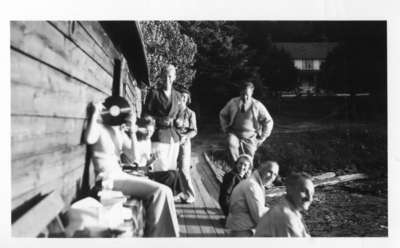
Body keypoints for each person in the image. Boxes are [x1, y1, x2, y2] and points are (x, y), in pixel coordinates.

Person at [85, 99, 180, 237]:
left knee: (165, 191)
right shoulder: (98, 126)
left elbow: (134, 155)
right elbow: (89, 139)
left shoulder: (117, 131)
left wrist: (133, 132)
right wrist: (94, 113)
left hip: (119, 175)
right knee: (161, 191)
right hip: (107, 180)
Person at [143, 64, 182, 193]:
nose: (167, 80)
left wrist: (180, 120)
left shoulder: (177, 95)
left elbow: (180, 113)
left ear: (174, 77)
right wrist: (153, 122)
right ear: (160, 77)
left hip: (173, 137)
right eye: (165, 77)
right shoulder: (154, 93)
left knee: (171, 169)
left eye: (170, 77)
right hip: (159, 136)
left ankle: (169, 198)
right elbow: (146, 114)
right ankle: (158, 197)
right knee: (160, 169)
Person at [219, 82, 273, 166]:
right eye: (243, 94)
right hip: (235, 134)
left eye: (247, 94)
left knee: (249, 159)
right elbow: (223, 114)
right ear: (240, 92)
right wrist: (225, 128)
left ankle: (247, 174)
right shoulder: (233, 102)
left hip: (250, 137)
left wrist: (263, 137)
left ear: (252, 93)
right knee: (231, 143)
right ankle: (236, 170)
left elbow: (268, 121)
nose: (245, 97)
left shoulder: (257, 105)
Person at [225, 161, 279, 237]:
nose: (272, 177)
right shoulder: (253, 186)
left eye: (275, 175)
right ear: (262, 169)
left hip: (239, 228)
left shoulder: (254, 182)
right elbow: (259, 216)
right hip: (242, 231)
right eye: (270, 172)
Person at [255, 172, 314, 237]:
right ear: (290, 189)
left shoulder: (291, 211)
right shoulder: (284, 217)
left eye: (312, 193)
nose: (310, 198)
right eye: (304, 191)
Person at [174, 88, 197, 203]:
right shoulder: (173, 111)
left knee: (183, 168)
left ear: (188, 99)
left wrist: (186, 136)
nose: (182, 98)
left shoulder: (190, 113)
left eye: (185, 97)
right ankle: (176, 193)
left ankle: (190, 195)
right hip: (172, 141)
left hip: (184, 142)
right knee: (171, 168)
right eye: (180, 96)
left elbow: (194, 131)